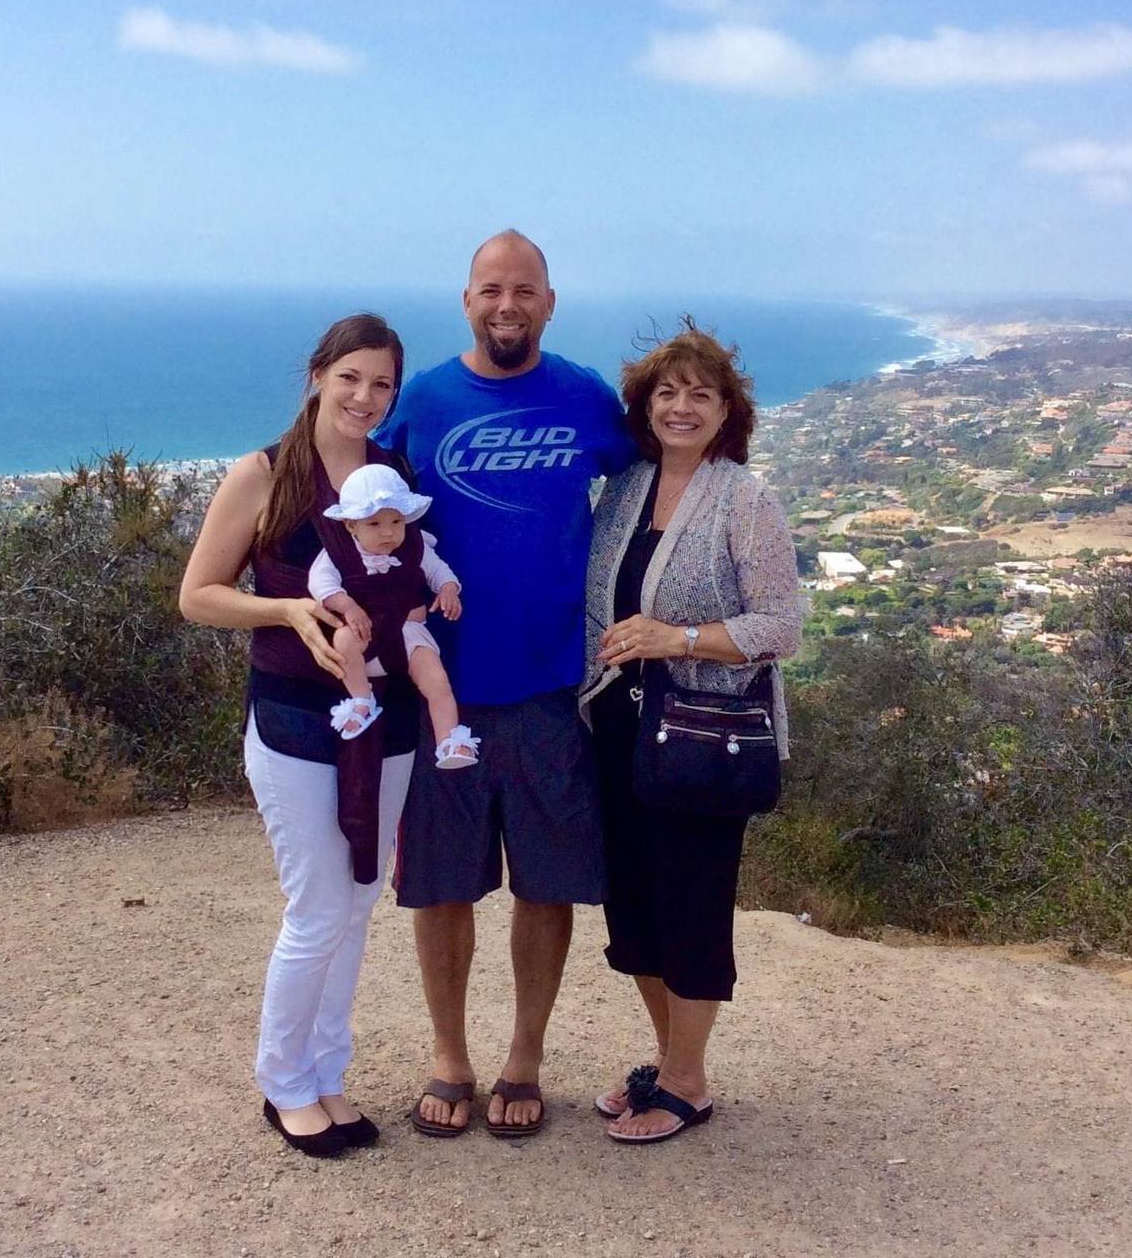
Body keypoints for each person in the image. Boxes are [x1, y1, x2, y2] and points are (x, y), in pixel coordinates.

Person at [376, 229, 636, 1139]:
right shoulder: (424, 401)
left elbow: (650, 476)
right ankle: (450, 1058)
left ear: (550, 303)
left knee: (545, 885)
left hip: (550, 690)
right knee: (441, 888)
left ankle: (524, 1057)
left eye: (524, 290)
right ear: (466, 300)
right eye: (492, 288)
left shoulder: (584, 398)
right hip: (441, 692)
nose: (507, 305)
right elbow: (359, 492)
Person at [178, 313, 419, 1159]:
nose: (364, 396)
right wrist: (285, 607)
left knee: (357, 901)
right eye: (350, 376)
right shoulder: (265, 474)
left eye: (382, 383)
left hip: (388, 721)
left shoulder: (393, 475)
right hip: (291, 718)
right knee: (318, 904)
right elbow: (198, 594)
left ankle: (326, 1075)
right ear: (317, 374)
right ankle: (284, 1086)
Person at [579, 322, 800, 1145]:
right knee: (632, 907)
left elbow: (782, 624)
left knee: (693, 906)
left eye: (699, 394)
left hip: (703, 734)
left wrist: (677, 637)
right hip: (617, 728)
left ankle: (687, 1081)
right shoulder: (626, 489)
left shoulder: (745, 498)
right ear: (644, 407)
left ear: (725, 412)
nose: (680, 406)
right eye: (666, 392)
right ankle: (672, 1060)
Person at [306, 463, 479, 768]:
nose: (388, 532)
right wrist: (348, 606)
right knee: (343, 640)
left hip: (409, 632)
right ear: (351, 525)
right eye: (374, 524)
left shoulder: (416, 547)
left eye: (396, 521)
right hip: (366, 636)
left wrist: (448, 591)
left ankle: (451, 740)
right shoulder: (338, 554)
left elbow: (442, 573)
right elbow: (320, 584)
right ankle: (361, 699)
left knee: (437, 682)